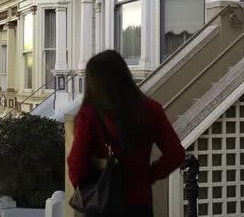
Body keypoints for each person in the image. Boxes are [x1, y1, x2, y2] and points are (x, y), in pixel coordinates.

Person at [67, 50, 186, 217]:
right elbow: (176, 154)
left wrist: (88, 186)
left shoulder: (90, 116)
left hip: (103, 205)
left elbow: (76, 164)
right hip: (140, 203)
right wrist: (149, 175)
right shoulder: (152, 110)